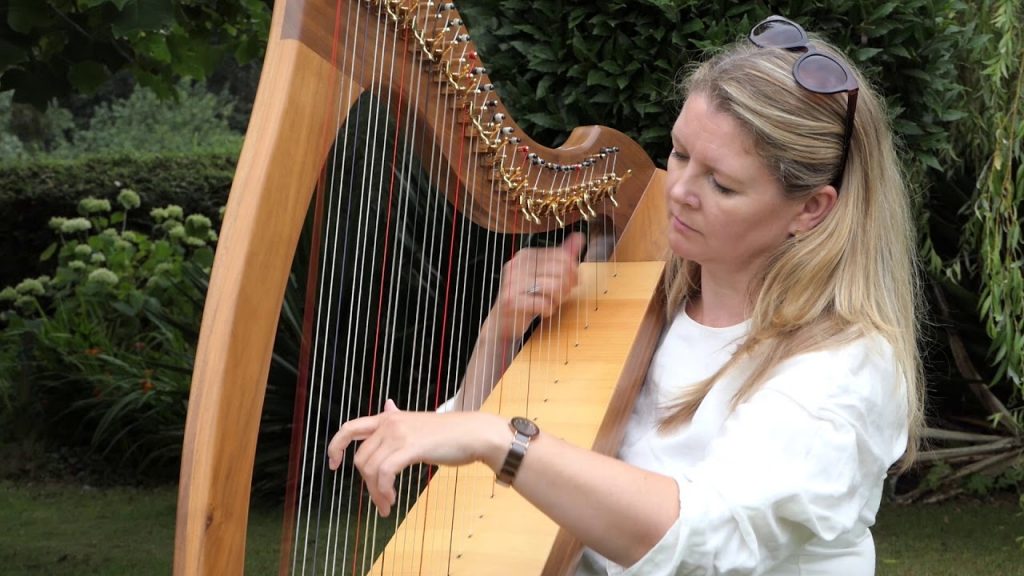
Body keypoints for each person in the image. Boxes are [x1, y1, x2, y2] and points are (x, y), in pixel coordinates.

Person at [327, 14, 923, 575]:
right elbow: (469, 450)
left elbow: (704, 536)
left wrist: (498, 440)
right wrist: (501, 332)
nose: (679, 190)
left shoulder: (843, 367)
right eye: (680, 153)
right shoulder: (644, 293)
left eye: (721, 183)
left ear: (811, 209)